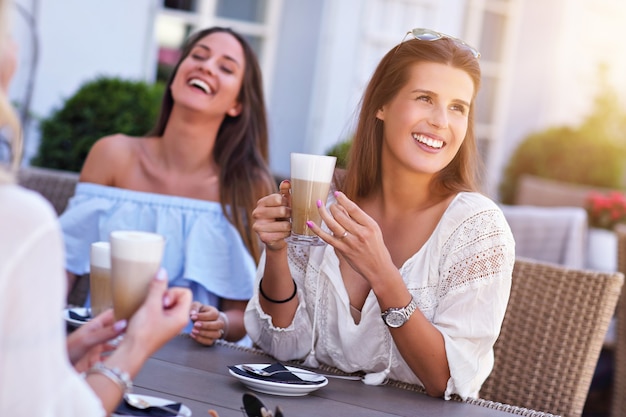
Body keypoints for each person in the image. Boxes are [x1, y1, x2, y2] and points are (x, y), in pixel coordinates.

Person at [245, 28, 515, 400]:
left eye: (457, 107)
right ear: (382, 105)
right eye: (425, 98)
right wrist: (275, 252)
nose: (441, 121)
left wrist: (382, 273)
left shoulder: (476, 227)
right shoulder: (323, 198)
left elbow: (445, 381)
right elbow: (281, 349)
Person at [0, 0, 192, 413]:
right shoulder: (18, 219)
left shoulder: (238, 183)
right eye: (9, 33)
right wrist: (137, 344)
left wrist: (59, 353)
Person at [60, 26, 277, 346]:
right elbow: (61, 265)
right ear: (175, 78)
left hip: (191, 365)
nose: (206, 66)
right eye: (198, 56)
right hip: (103, 346)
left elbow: (244, 314)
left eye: (226, 67)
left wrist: (217, 323)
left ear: (237, 105)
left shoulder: (247, 184)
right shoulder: (111, 156)